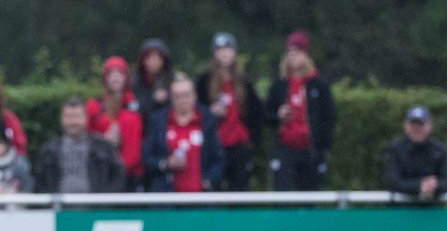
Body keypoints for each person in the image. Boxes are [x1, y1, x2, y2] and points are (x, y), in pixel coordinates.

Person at [264, 30, 336, 191]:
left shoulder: (318, 85)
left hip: (310, 150)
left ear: (305, 55)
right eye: (290, 53)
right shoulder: (279, 86)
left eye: (297, 53)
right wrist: (278, 115)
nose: (293, 57)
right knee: (283, 196)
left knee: (309, 197)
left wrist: (323, 149)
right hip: (285, 149)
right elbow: (266, 115)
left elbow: (328, 117)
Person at [195, 32, 263, 191]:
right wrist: (209, 112)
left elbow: (257, 113)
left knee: (239, 191)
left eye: (228, 49)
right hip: (213, 145)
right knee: (211, 190)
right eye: (219, 49)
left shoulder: (244, 81)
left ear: (234, 53)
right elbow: (194, 110)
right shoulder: (203, 81)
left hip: (239, 146)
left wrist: (251, 140)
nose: (224, 53)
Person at [143, 73, 224, 192]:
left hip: (201, 198)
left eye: (186, 95)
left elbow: (219, 159)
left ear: (194, 96)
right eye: (177, 96)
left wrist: (207, 181)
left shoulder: (207, 121)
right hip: (166, 199)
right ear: (171, 98)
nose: (182, 100)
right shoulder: (158, 121)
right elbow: (147, 157)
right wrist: (165, 164)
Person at [36, 97, 126, 194]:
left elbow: (119, 176)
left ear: (86, 118)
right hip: (59, 208)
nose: (73, 122)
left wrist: (104, 200)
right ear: (61, 119)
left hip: (97, 207)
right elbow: (40, 181)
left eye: (77, 116)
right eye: (69, 117)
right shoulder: (50, 150)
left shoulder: (104, 147)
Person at [85, 56, 144, 190]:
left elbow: (135, 148)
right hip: (101, 173)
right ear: (104, 78)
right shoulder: (94, 106)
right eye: (111, 73)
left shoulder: (134, 107)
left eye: (120, 73)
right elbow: (87, 138)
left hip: (130, 175)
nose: (115, 77)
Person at [385, 106, 447, 201]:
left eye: (421, 125)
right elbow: (393, 181)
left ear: (429, 126)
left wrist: (435, 185)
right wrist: (419, 186)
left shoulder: (439, 149)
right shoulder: (396, 149)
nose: (417, 129)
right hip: (401, 211)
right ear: (406, 127)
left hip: (432, 212)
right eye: (413, 125)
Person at [131, 37, 174, 129]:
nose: (154, 62)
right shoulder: (135, 83)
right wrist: (153, 100)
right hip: (144, 127)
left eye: (158, 58)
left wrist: (168, 98)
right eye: (150, 58)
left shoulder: (172, 80)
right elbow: (134, 108)